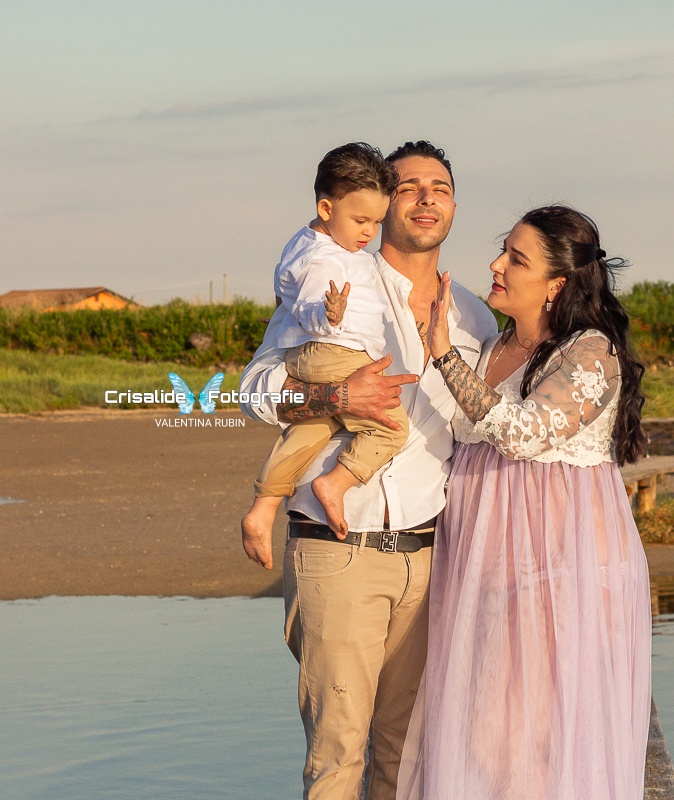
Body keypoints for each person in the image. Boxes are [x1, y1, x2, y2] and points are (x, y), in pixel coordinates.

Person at [239, 141, 497, 800]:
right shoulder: (336, 276)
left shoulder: (475, 316)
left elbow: (483, 430)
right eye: (409, 186)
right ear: (381, 205)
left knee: (405, 757)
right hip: (339, 550)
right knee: (337, 757)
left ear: (454, 205)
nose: (426, 198)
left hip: (430, 556)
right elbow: (254, 389)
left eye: (439, 187)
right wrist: (335, 399)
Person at [405, 205, 652, 799]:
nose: (496, 265)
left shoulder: (588, 352)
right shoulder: (493, 349)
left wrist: (443, 355)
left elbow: (523, 432)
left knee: (540, 732)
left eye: (516, 258)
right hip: (484, 561)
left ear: (556, 283)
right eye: (503, 250)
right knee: (483, 729)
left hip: (558, 565)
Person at [241, 142, 407, 551]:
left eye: (377, 221)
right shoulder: (325, 258)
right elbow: (313, 306)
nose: (369, 232)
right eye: (361, 220)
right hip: (335, 350)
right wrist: (327, 316)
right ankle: (336, 482)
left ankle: (262, 507)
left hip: (322, 355)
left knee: (311, 429)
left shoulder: (319, 244)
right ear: (327, 209)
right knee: (393, 427)